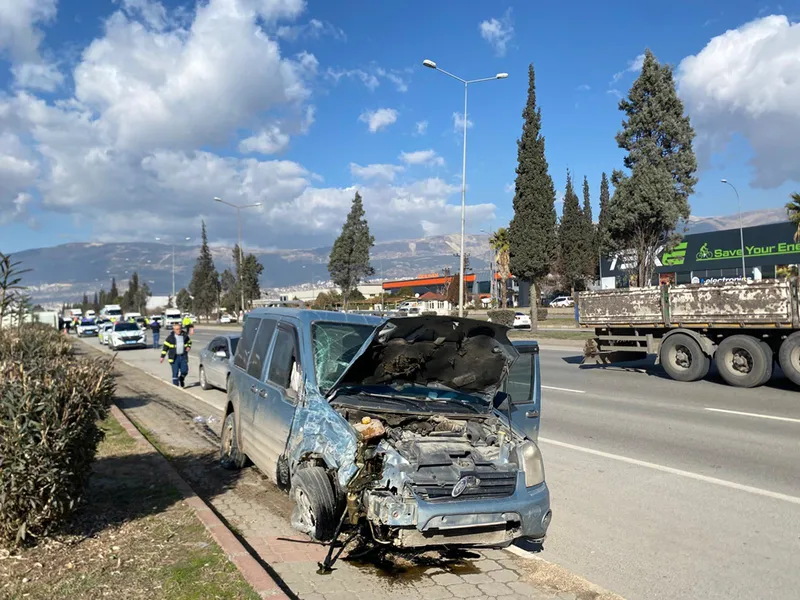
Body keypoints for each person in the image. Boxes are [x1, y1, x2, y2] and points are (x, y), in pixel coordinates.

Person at [160, 323, 191, 387]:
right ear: (174, 330)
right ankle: (176, 387)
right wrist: (162, 357)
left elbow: (189, 342)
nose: (178, 330)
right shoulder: (170, 338)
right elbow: (165, 347)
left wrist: (188, 346)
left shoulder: (185, 336)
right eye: (177, 329)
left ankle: (181, 379)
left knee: (185, 371)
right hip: (174, 358)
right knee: (175, 372)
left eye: (179, 329)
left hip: (183, 357)